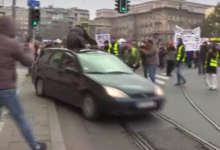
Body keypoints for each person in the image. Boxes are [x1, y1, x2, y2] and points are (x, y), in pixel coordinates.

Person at [0, 16, 46, 150]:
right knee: (20, 118)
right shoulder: (11, 44)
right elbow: (28, 62)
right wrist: (30, 50)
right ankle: (35, 146)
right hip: (6, 89)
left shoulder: (12, 45)